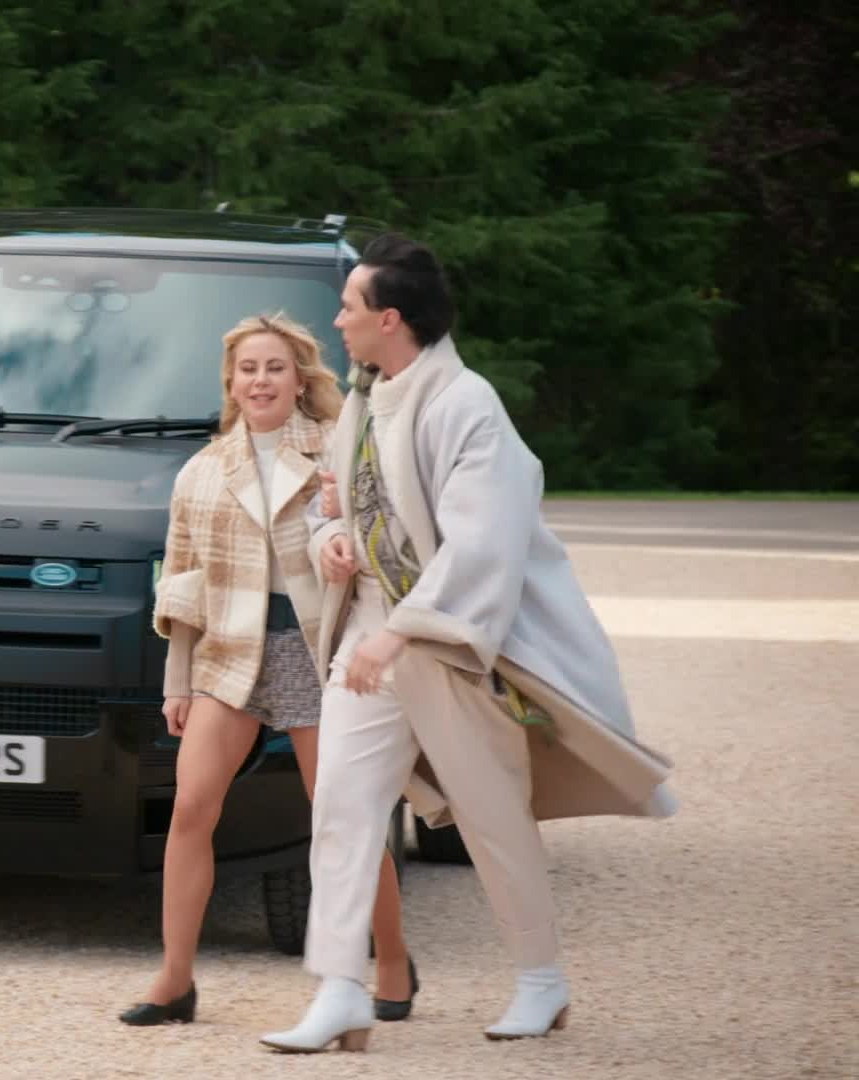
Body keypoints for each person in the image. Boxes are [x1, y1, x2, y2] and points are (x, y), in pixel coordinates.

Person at [260, 235, 675, 1053]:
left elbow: (486, 541)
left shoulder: (468, 403)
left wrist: (400, 634)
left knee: (491, 816)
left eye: (348, 307)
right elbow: (337, 508)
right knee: (341, 807)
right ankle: (339, 990)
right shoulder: (365, 397)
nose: (337, 321)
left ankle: (541, 981)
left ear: (389, 318)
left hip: (445, 643)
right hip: (372, 635)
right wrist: (331, 539)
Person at [119, 313, 416, 1026]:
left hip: (316, 655)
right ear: (232, 382)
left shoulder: (337, 448)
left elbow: (379, 540)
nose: (261, 381)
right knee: (190, 810)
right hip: (228, 657)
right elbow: (182, 582)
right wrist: (178, 682)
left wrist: (345, 551)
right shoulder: (201, 470)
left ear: (298, 379)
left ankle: (393, 961)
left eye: (275, 368)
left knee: (342, 817)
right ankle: (175, 981)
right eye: (248, 369)